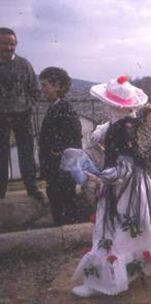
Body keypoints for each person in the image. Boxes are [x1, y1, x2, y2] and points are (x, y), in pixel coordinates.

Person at [72, 76, 151, 297]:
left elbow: (124, 166)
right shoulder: (126, 123)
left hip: (124, 185)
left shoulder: (121, 128)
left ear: (112, 104)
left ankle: (103, 281)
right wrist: (105, 132)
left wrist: (99, 176)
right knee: (136, 225)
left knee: (110, 227)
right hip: (137, 184)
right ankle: (136, 268)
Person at [0, 27, 43, 200]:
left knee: (26, 153)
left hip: (22, 116)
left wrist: (29, 106)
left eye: (12, 44)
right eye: (4, 43)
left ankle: (32, 188)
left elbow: (35, 90)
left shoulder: (24, 64)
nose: (9, 47)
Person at [38, 67, 83, 226]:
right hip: (57, 167)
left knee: (63, 200)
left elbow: (73, 138)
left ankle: (68, 231)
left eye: (45, 85)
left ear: (58, 86)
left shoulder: (64, 108)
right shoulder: (56, 107)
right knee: (59, 198)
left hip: (60, 168)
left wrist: (58, 152)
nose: (42, 89)